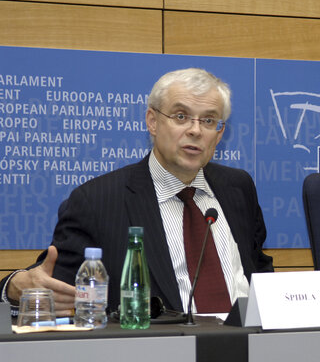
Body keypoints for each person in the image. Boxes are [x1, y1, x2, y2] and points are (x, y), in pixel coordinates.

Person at [0, 68, 273, 314]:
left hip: (252, 352)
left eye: (209, 121)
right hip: (155, 357)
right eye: (181, 116)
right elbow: (49, 285)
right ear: (152, 122)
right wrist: (13, 287)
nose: (195, 130)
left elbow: (258, 271)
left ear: (220, 133)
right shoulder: (97, 202)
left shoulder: (238, 187)